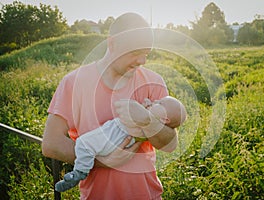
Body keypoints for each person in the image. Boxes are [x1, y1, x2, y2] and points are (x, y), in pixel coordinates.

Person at [42, 12, 179, 199]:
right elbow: (51, 143)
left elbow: (171, 143)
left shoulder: (153, 82)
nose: (142, 61)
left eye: (146, 53)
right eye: (135, 53)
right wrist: (102, 162)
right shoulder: (74, 83)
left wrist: (148, 121)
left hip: (148, 195)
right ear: (112, 43)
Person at [55, 96, 187, 192]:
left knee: (83, 144)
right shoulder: (154, 120)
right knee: (84, 145)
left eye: (160, 103)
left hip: (113, 138)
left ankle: (79, 172)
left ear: (165, 119)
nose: (155, 101)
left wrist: (144, 114)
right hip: (110, 141)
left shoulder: (151, 129)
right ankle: (78, 172)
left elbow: (170, 143)